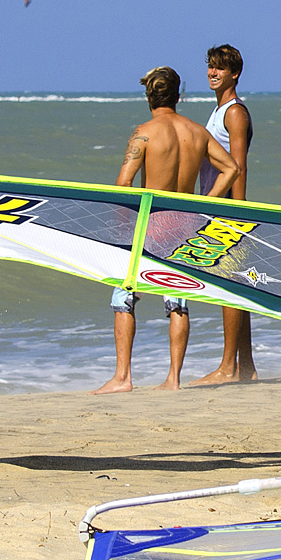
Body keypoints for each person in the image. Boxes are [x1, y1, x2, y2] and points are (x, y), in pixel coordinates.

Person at [93, 67, 237, 395]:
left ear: (149, 97)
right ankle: (173, 378)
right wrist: (204, 206)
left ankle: (122, 377)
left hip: (152, 223)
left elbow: (124, 183)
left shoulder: (144, 133)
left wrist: (123, 224)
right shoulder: (197, 132)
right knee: (177, 299)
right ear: (179, 95)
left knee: (124, 296)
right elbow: (231, 168)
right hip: (185, 224)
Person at [189, 44, 257, 387]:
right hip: (219, 207)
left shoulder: (234, 113)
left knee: (229, 285)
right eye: (210, 67)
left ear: (235, 74)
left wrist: (236, 212)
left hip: (228, 209)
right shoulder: (219, 111)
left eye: (220, 68)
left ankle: (229, 367)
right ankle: (246, 367)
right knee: (235, 284)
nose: (213, 73)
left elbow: (239, 166)